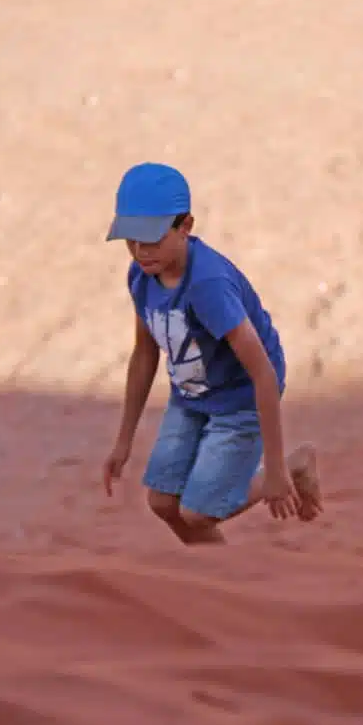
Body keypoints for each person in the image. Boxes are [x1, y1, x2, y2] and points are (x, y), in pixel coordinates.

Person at [100, 162, 322, 545]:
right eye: (130, 240)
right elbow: (144, 355)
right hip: (192, 393)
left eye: (151, 239)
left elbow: (263, 373)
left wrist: (274, 469)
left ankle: (295, 464)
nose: (139, 251)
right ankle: (218, 576)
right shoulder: (141, 276)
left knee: (198, 512)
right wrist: (123, 441)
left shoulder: (208, 286)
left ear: (185, 226)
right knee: (162, 502)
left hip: (240, 397)